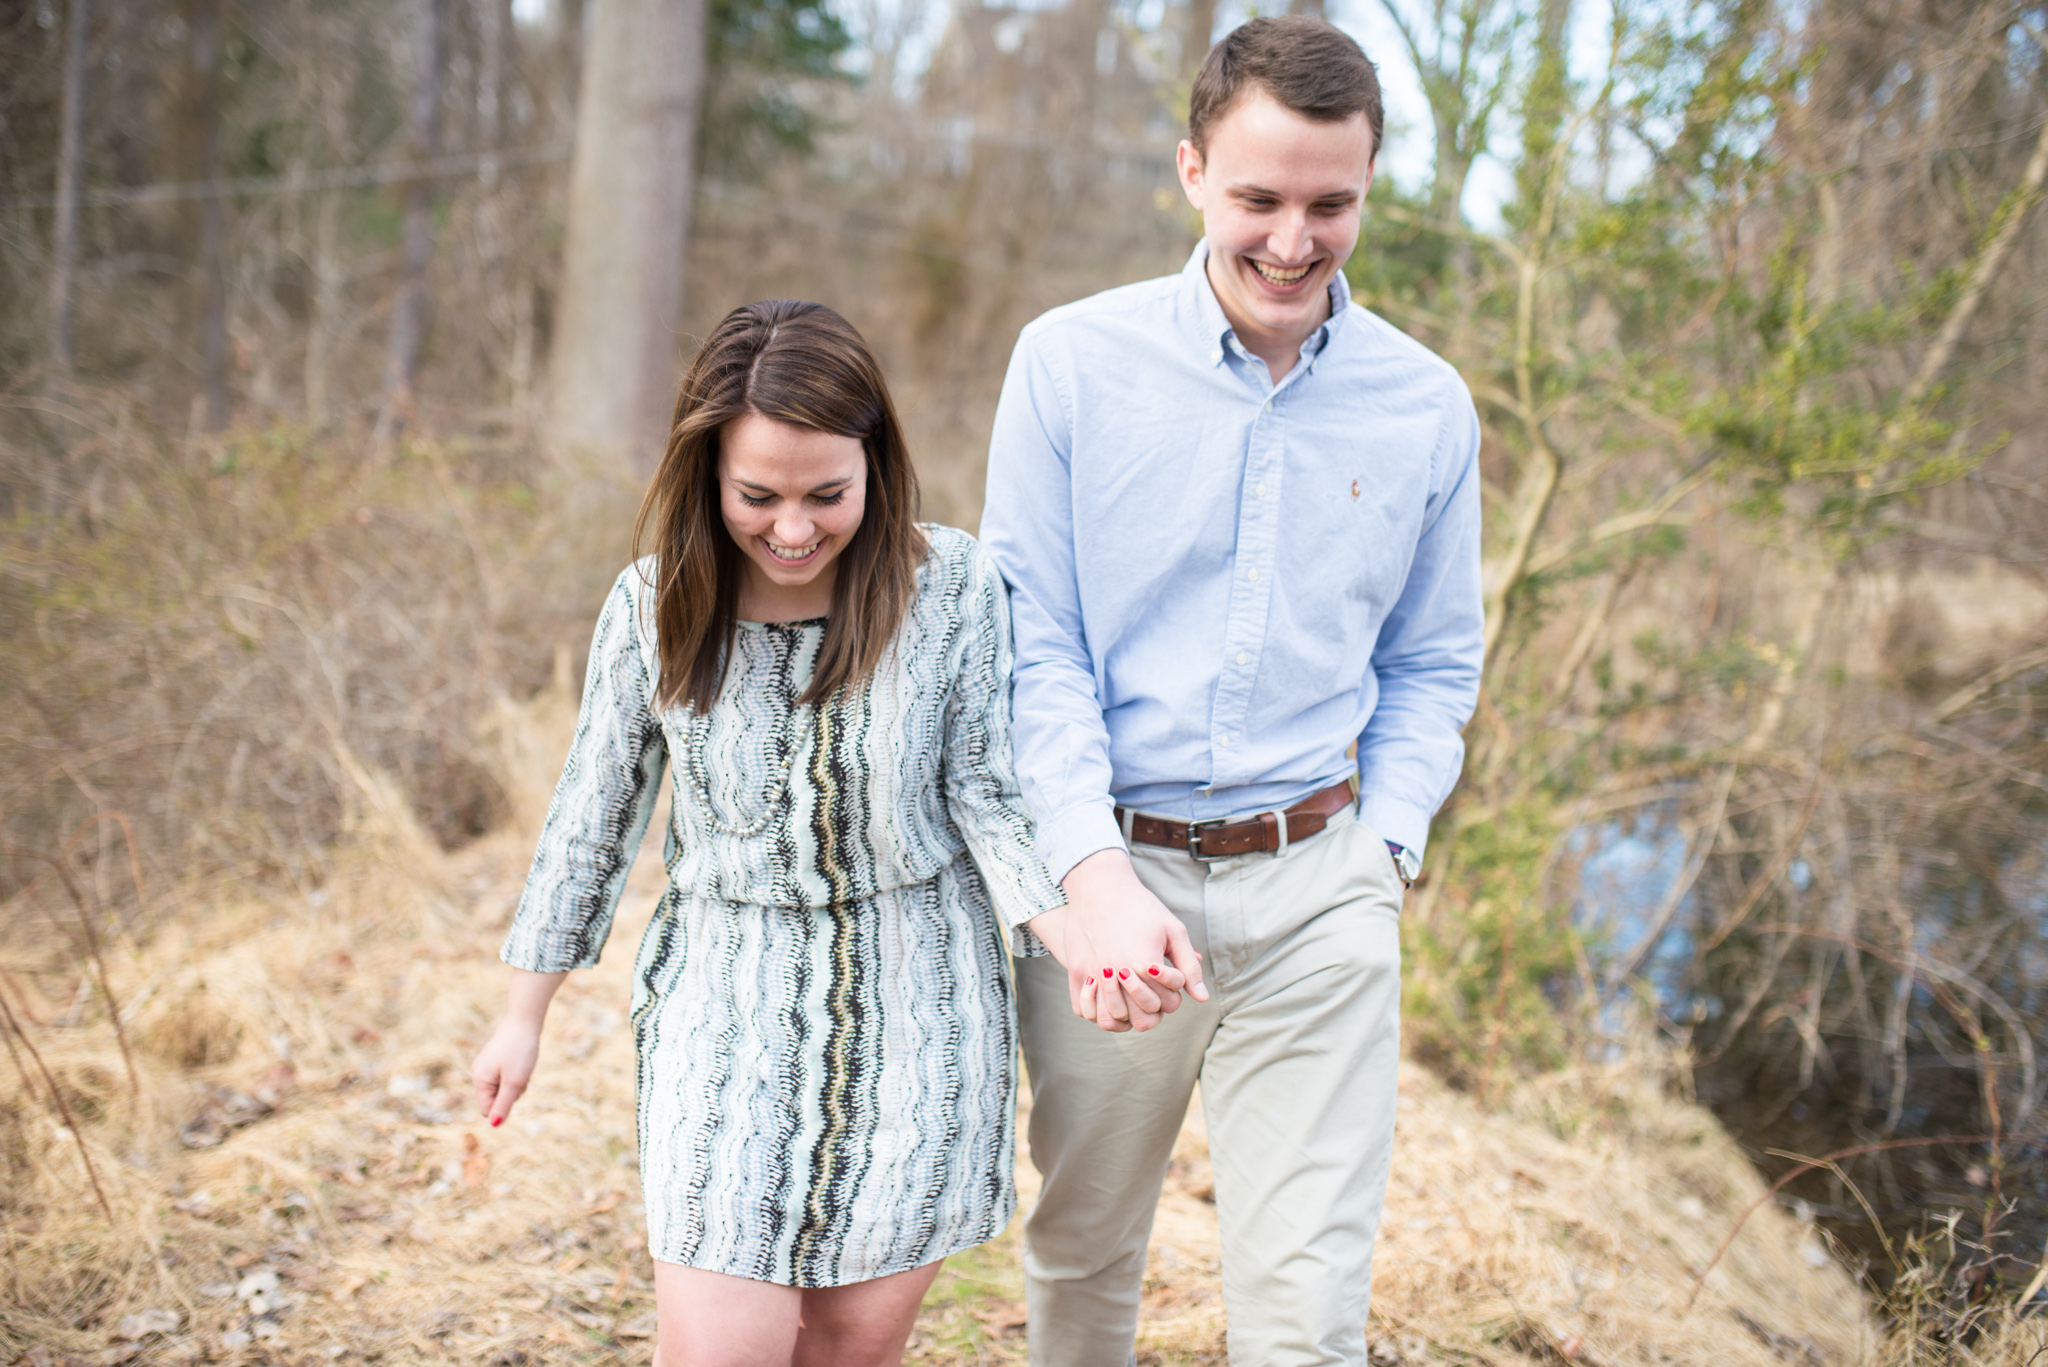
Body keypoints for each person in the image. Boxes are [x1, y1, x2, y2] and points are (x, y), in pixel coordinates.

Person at [980, 17, 1485, 1366]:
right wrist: (1090, 878)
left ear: (1368, 189)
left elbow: (1436, 659)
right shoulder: (1069, 365)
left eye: (1332, 204)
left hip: (1323, 881)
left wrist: (1385, 849)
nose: (1292, 238)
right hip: (1115, 879)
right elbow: (1034, 649)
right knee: (1084, 1248)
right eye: (1261, 197)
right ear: (1194, 170)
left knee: (1310, 1300)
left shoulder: (1427, 407)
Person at [471, 300, 1064, 1367]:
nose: (792, 527)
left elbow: (987, 789)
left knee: (845, 1348)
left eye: (826, 493)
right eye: (758, 495)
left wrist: (1077, 933)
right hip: (724, 997)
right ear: (706, 478)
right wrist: (525, 1011)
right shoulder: (654, 607)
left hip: (921, 999)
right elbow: (591, 818)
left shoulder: (954, 589)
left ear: (875, 466)